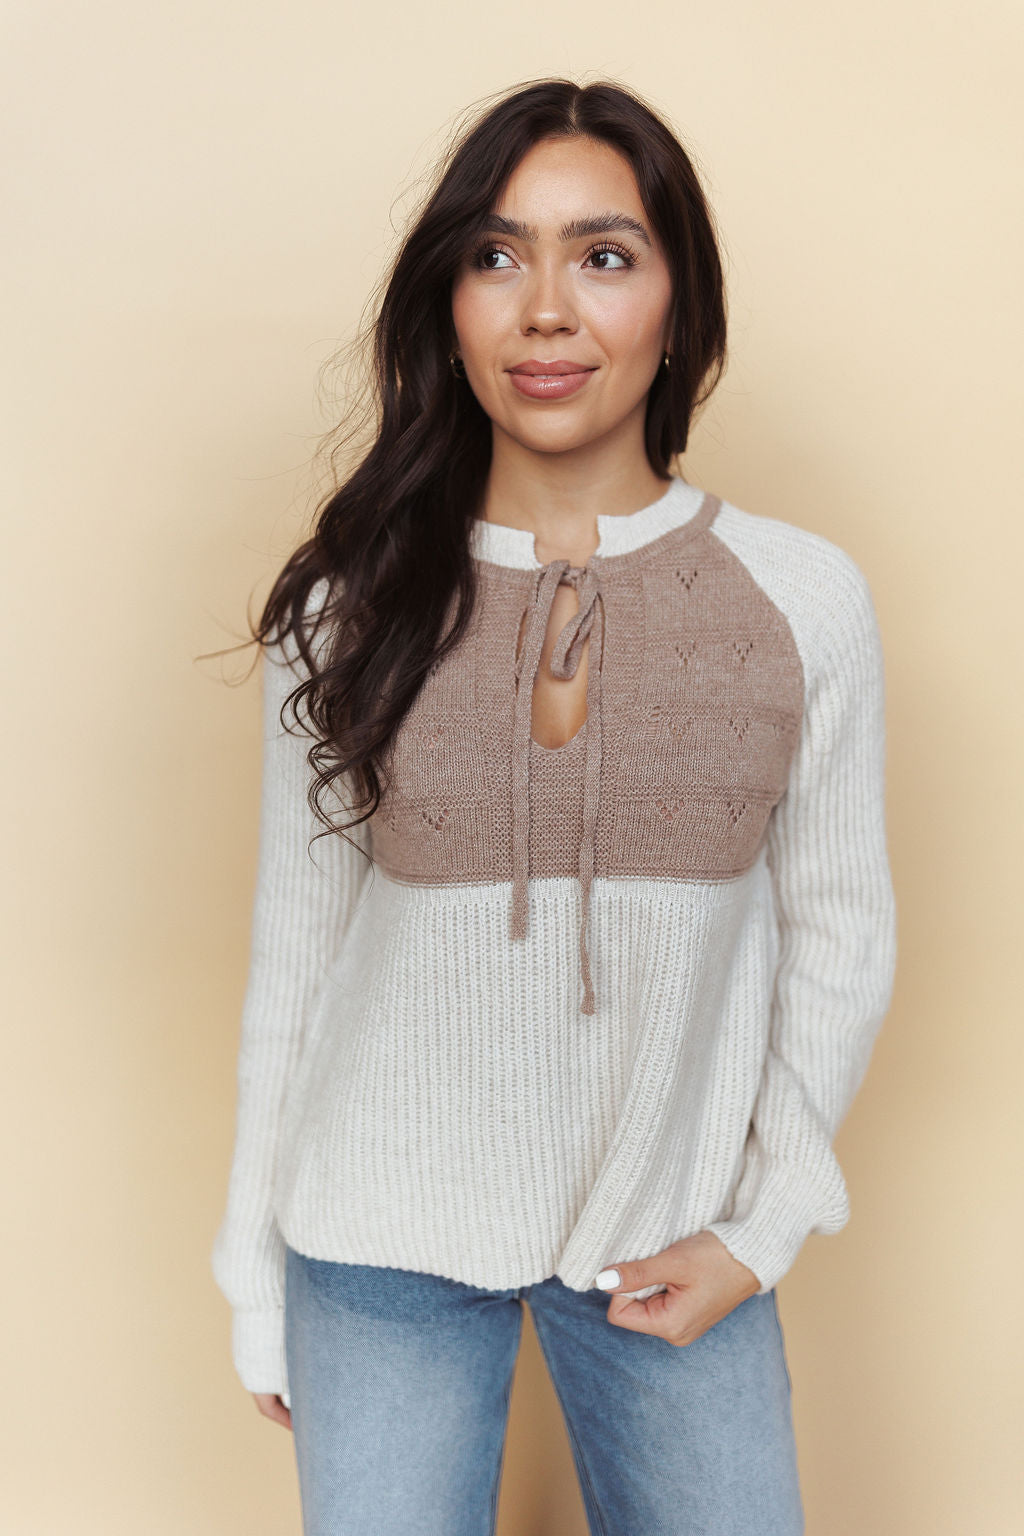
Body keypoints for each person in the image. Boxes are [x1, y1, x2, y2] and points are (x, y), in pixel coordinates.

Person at [211, 76, 896, 1535]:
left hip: (673, 1233)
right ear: (449, 303)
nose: (545, 311)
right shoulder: (347, 608)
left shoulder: (801, 599)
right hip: (375, 1237)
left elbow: (842, 938)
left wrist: (762, 1228)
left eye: (604, 255)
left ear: (679, 302)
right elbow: (296, 951)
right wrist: (249, 1271)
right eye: (495, 255)